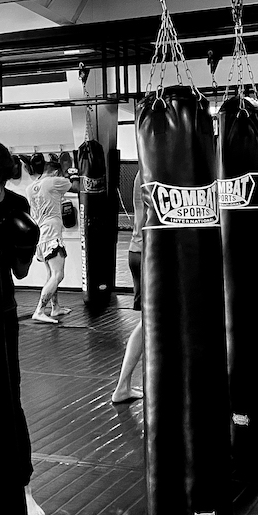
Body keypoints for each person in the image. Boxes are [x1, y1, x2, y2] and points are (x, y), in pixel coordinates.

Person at [0, 140, 46, 515]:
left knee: (10, 399)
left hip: (1, 310)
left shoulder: (15, 206)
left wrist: (22, 245)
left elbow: (21, 273)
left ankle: (24, 489)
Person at [26, 155, 76, 323]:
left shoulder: (31, 187)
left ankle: (55, 308)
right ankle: (39, 310)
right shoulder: (54, 181)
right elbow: (76, 186)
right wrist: (70, 171)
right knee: (58, 275)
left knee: (50, 273)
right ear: (55, 172)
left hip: (39, 234)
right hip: (52, 233)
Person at [112, 169, 145, 403]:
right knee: (148, 324)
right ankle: (122, 386)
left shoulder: (145, 167)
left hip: (138, 251)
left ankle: (124, 386)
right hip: (151, 256)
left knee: (149, 323)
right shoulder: (163, 167)